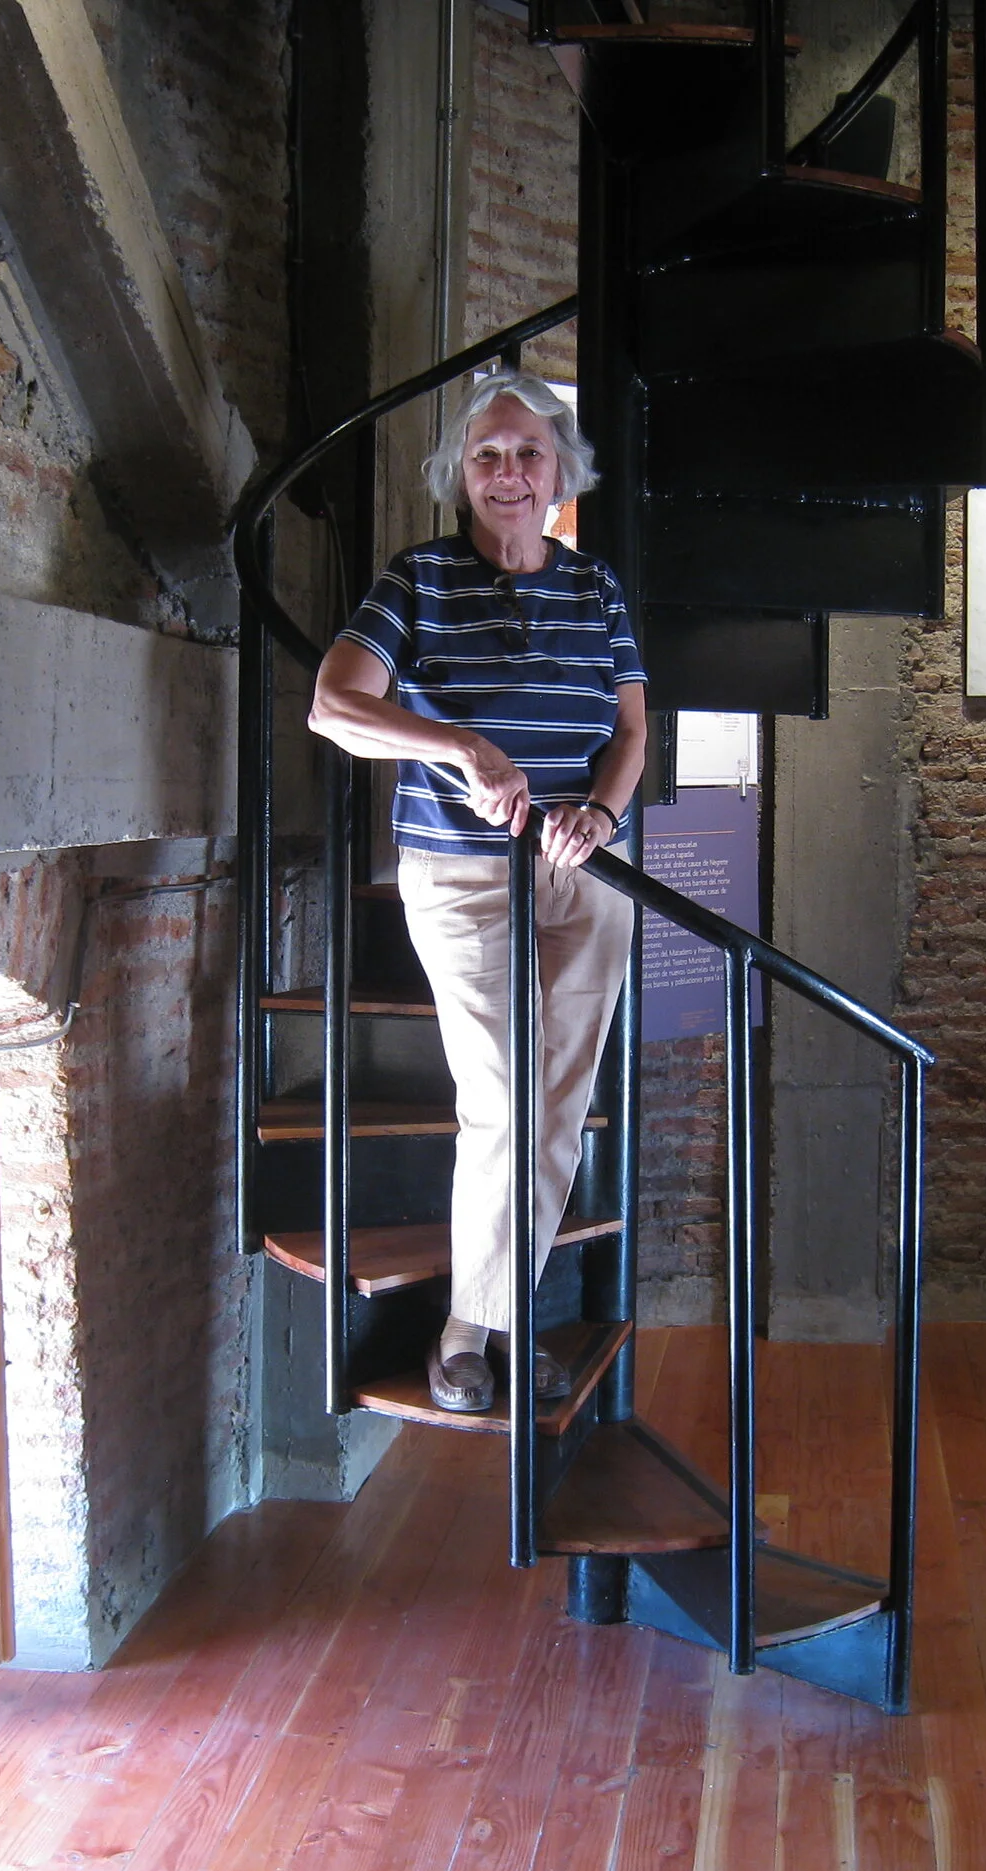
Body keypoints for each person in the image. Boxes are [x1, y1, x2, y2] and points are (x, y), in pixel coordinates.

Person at [307, 370, 647, 1413]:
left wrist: (603, 814)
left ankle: (495, 1321)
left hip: (584, 873)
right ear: (461, 472)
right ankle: (471, 1330)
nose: (508, 472)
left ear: (560, 472)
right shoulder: (418, 578)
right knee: (501, 1100)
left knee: (557, 1109)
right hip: (462, 875)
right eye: (487, 454)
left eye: (528, 453)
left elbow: (632, 731)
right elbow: (333, 706)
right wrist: (457, 745)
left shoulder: (596, 588)